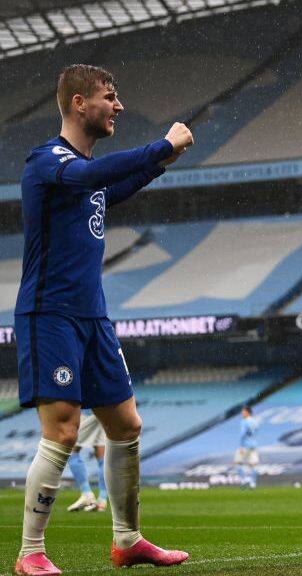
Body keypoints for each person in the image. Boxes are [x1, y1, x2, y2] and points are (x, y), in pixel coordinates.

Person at [13, 64, 193, 576]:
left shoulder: (83, 177)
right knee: (65, 432)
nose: (117, 107)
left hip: (93, 317)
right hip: (50, 315)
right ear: (78, 104)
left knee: (126, 424)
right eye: (109, 98)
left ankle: (127, 540)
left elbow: (111, 188)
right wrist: (162, 144)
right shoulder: (47, 161)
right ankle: (30, 554)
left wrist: (163, 161)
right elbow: (93, 177)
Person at [66, 412, 108, 512]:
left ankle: (86, 494)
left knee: (70, 449)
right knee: (102, 454)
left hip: (88, 411)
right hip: (106, 409)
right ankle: (102, 499)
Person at [235, 406, 259, 489]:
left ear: (247, 412)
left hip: (245, 445)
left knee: (238, 463)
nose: (242, 414)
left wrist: (241, 446)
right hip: (253, 445)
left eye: (243, 412)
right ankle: (253, 483)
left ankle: (244, 480)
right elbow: (255, 432)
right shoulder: (255, 421)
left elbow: (242, 434)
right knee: (253, 465)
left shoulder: (244, 422)